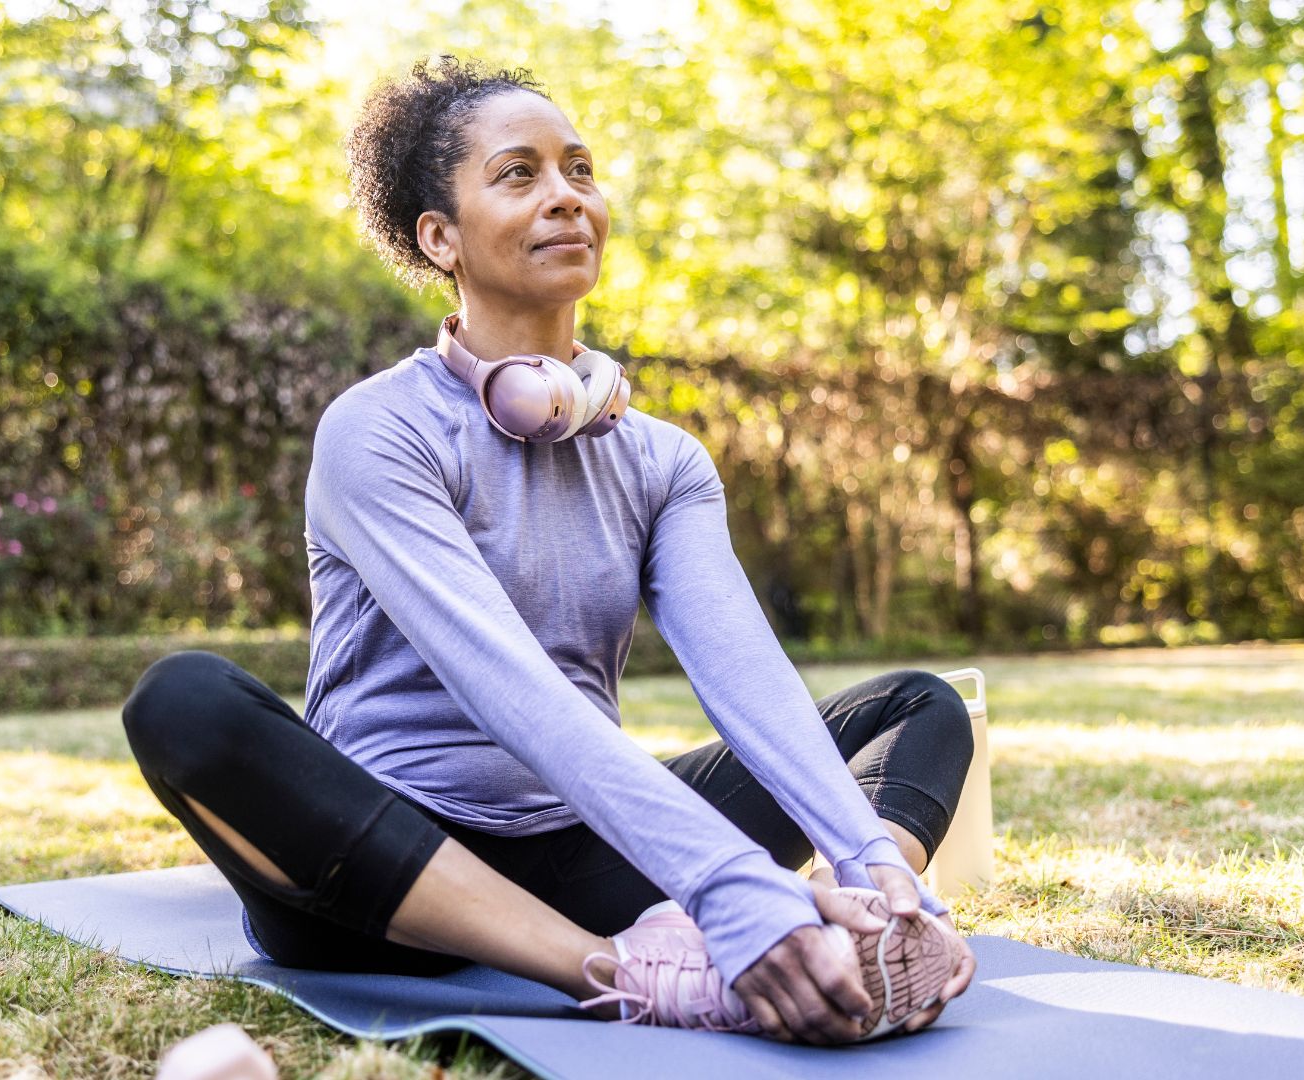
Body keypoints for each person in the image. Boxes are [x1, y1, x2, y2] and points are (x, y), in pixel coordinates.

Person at [122, 55, 977, 1045]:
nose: (567, 197)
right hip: (388, 872)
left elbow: (749, 681)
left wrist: (878, 865)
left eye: (579, 169)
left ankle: (859, 938)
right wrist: (732, 889)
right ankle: (633, 972)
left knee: (918, 706)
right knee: (182, 703)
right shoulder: (378, 430)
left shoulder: (662, 459)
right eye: (518, 174)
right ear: (439, 237)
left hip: (591, 853)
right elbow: (509, 687)